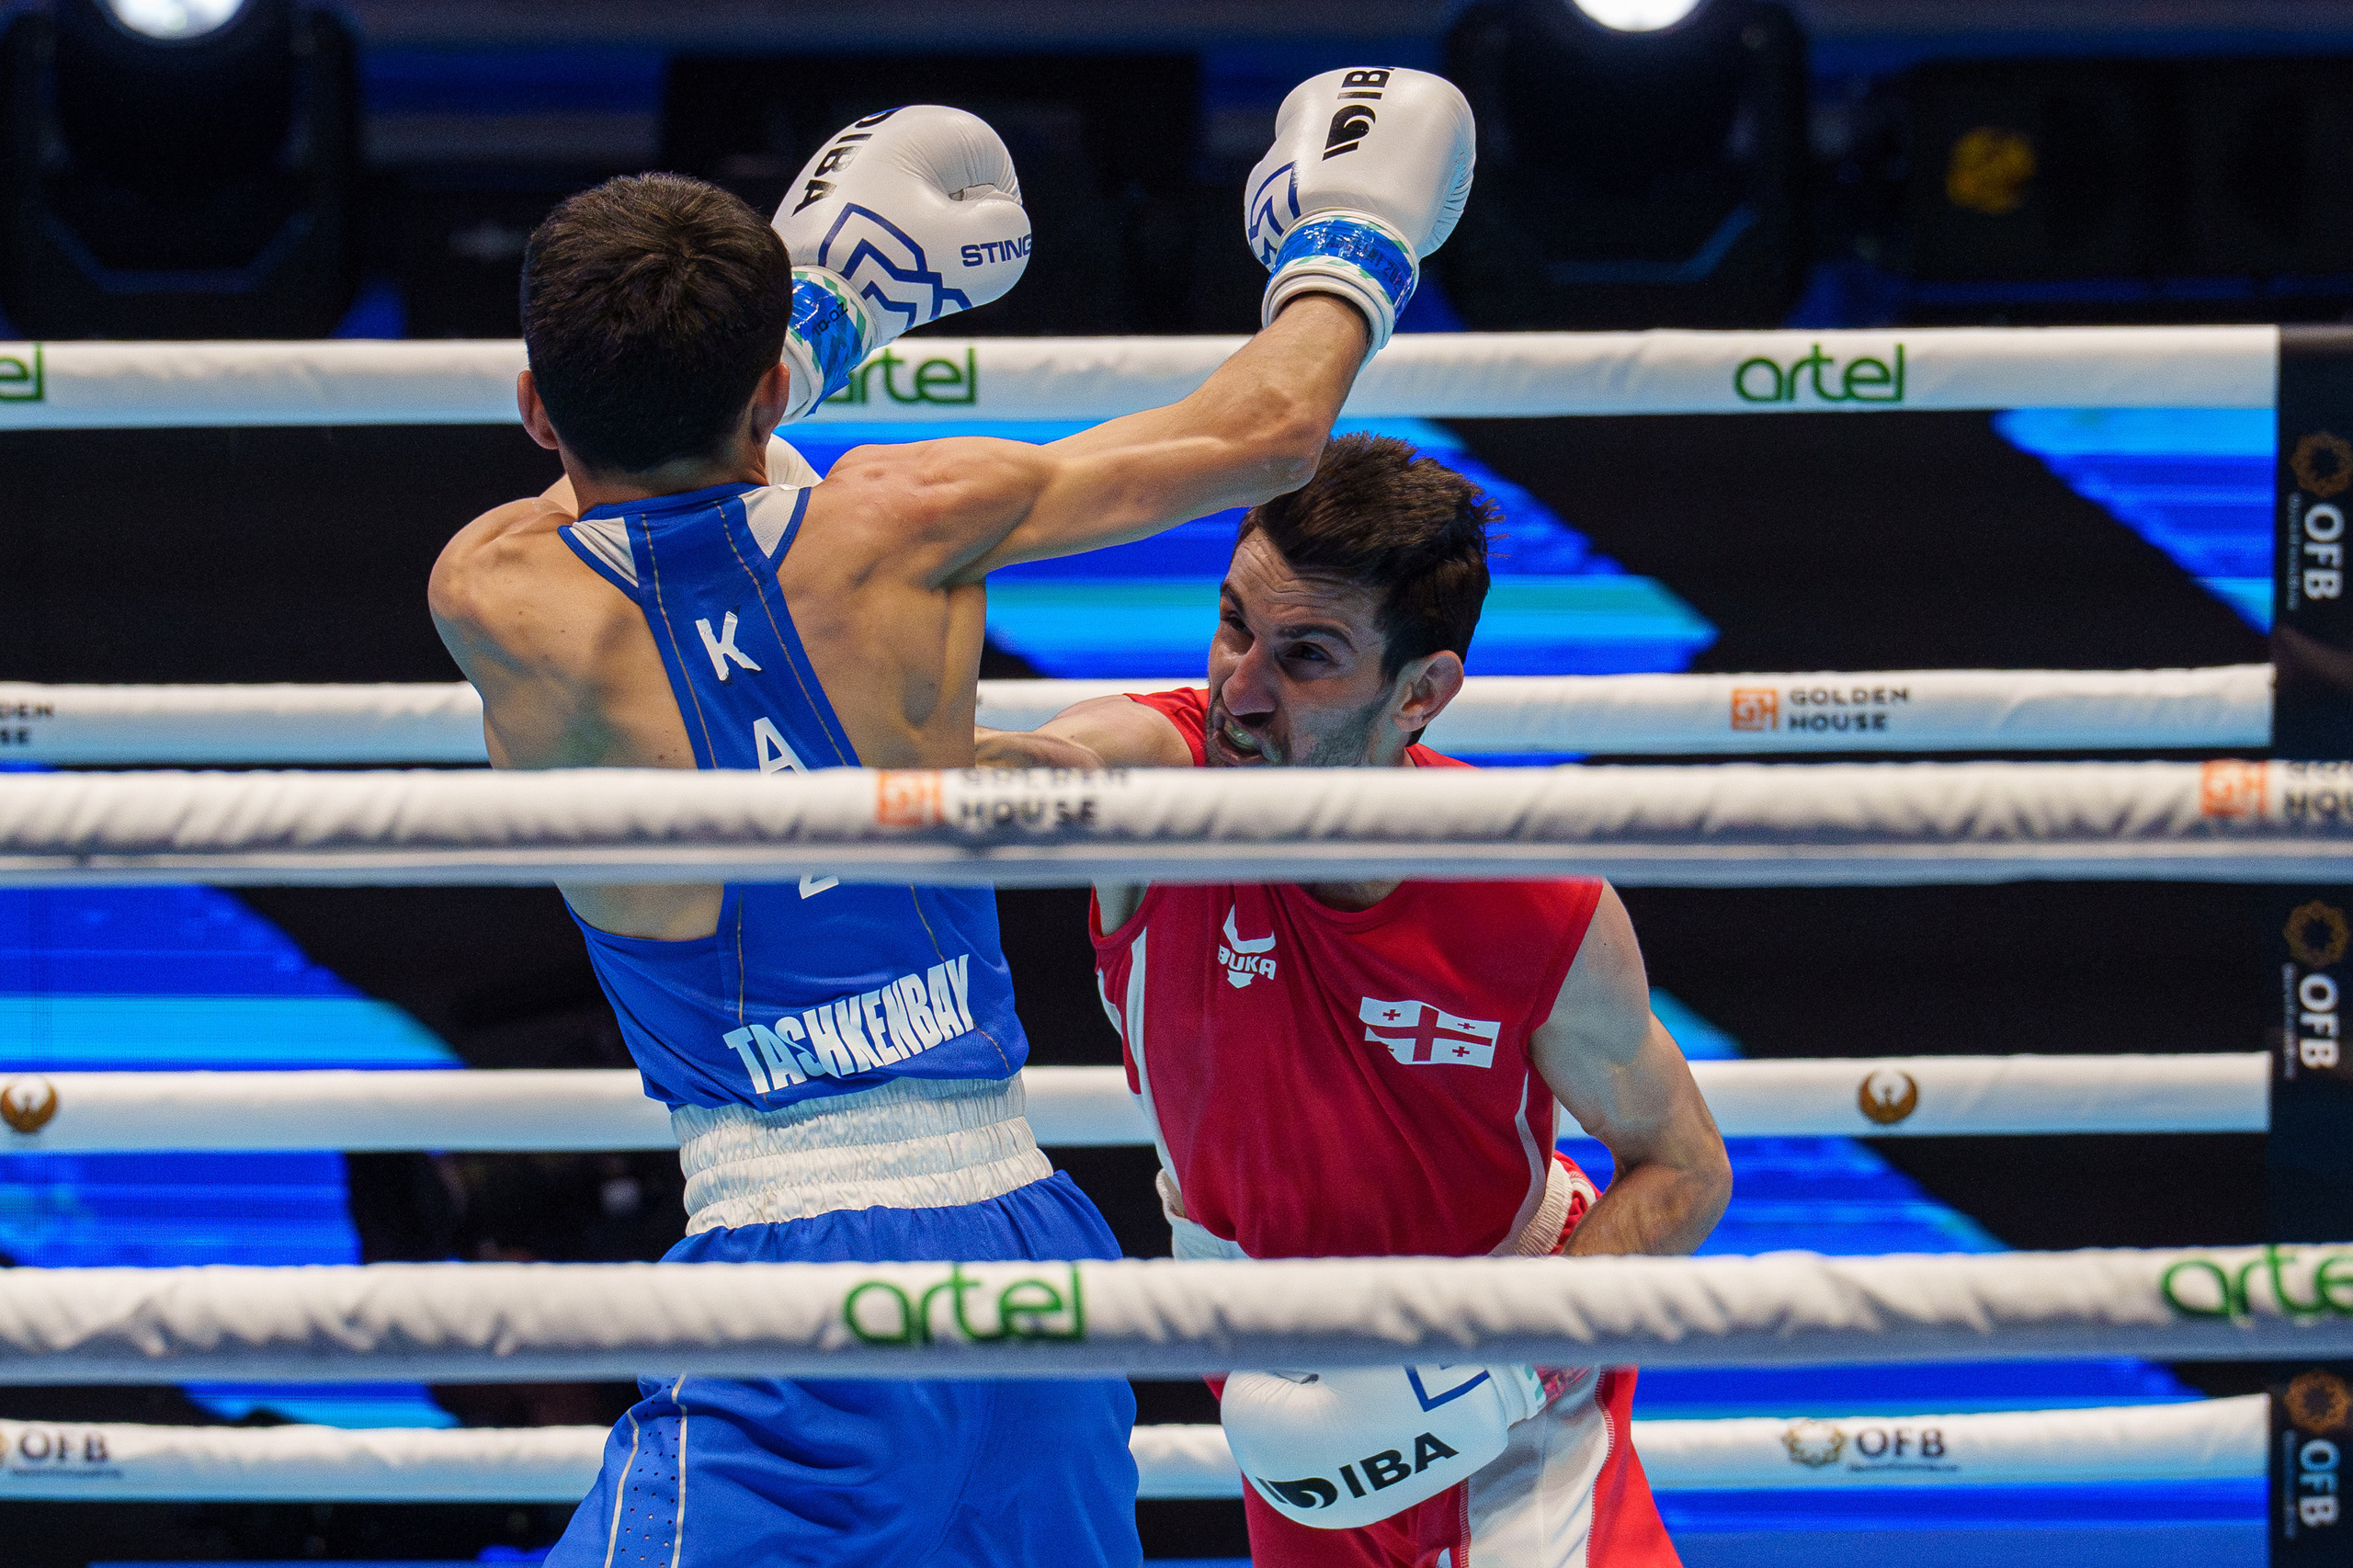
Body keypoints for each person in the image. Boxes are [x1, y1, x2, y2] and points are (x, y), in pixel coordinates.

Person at [428, 71, 1476, 1568]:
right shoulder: (912, 524)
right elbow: (1272, 431)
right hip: (1028, 1260)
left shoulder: (495, 596)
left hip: (783, 1296)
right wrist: (1352, 242)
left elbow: (615, 519)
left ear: (536, 407)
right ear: (776, 400)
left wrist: (819, 313)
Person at [975, 432, 1733, 1568]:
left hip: (1509, 1378)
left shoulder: (1530, 894)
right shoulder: (1155, 783)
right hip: (1272, 1381)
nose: (1240, 688)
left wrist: (1511, 1360)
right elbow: (1019, 779)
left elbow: (1686, 1165)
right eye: (1235, 621)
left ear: (1421, 691)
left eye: (1306, 655)